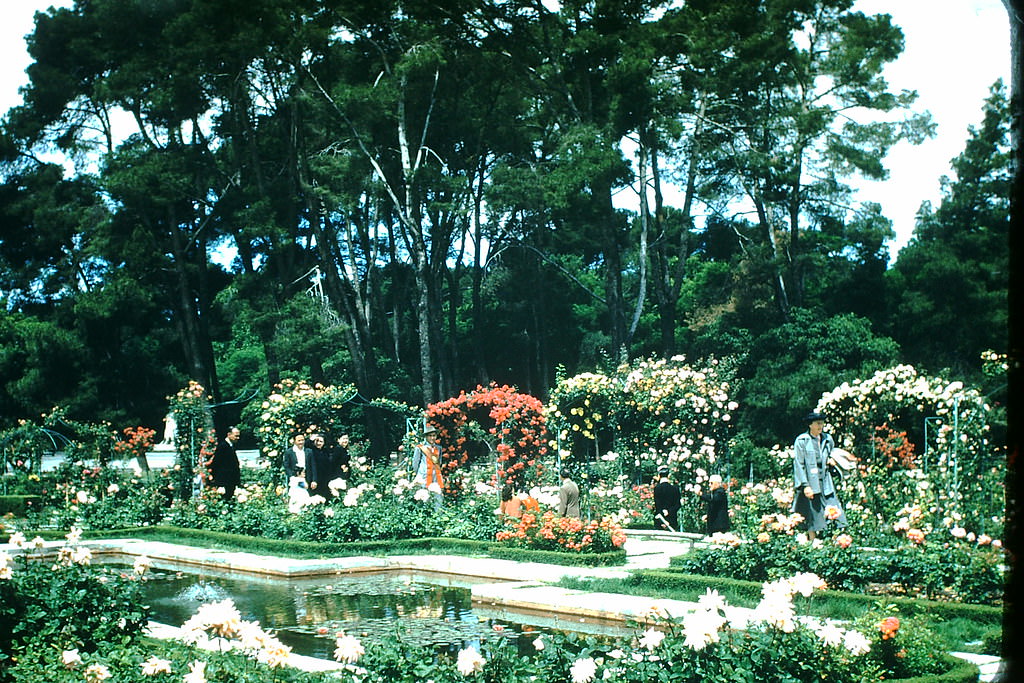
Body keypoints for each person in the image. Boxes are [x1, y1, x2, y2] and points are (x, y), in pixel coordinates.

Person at [792, 410, 847, 540]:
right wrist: (805, 485)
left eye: (822, 423)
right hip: (811, 481)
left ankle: (835, 539)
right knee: (812, 511)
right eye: (817, 423)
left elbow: (831, 453)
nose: (820, 426)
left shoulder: (827, 439)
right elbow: (799, 464)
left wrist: (831, 461)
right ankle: (813, 541)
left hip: (825, 480)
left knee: (833, 506)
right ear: (810, 425)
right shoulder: (802, 440)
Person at [413, 425, 444, 507]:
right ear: (426, 437)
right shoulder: (420, 448)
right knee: (423, 497)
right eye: (430, 436)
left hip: (435, 477)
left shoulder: (439, 448)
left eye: (434, 435)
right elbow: (415, 464)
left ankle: (437, 516)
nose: (432, 438)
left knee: (437, 497)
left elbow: (439, 462)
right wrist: (420, 474)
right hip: (423, 477)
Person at [208, 426, 241, 501]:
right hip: (225, 480)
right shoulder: (223, 446)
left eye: (238, 436)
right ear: (229, 435)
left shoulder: (231, 446)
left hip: (230, 480)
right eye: (236, 436)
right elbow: (216, 463)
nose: (238, 438)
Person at [307, 433, 339, 500]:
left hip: (324, 477)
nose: (318, 443)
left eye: (321, 441)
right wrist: (311, 439)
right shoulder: (311, 450)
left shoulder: (326, 452)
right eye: (317, 441)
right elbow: (306, 445)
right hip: (314, 477)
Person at [653, 465, 681, 531]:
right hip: (672, 519)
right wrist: (669, 512)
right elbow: (678, 505)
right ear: (668, 476)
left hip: (660, 519)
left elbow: (658, 505)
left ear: (659, 476)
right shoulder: (675, 488)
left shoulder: (657, 488)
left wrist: (662, 521)